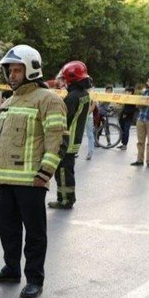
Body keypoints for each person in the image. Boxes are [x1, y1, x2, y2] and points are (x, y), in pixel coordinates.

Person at [0, 44, 68, 298]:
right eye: (10, 71)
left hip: (32, 181)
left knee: (34, 233)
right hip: (6, 180)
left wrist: (45, 173)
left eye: (17, 70)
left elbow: (58, 140)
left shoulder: (48, 100)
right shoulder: (9, 102)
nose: (12, 75)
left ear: (31, 70)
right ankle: (11, 269)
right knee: (8, 229)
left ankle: (35, 279)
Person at [48, 60, 91, 209]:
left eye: (64, 78)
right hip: (75, 139)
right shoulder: (84, 94)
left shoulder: (72, 97)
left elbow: (64, 119)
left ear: (71, 78)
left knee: (62, 171)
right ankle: (68, 198)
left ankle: (65, 200)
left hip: (67, 140)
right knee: (67, 170)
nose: (62, 81)